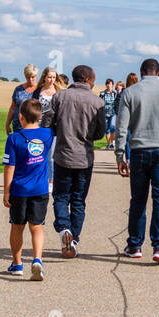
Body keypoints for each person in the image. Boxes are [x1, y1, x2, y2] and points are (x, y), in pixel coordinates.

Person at [115, 58, 159, 264]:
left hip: (139, 150)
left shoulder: (130, 93)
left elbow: (122, 127)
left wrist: (120, 155)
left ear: (142, 71)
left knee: (137, 199)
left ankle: (135, 245)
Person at [48, 64, 106, 259]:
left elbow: (48, 123)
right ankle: (74, 239)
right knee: (79, 200)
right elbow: (99, 132)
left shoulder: (59, 97)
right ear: (88, 79)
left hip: (63, 154)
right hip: (84, 157)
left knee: (61, 196)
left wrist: (62, 132)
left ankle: (64, 227)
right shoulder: (97, 102)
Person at [2, 97, 54, 280]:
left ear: (21, 117)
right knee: (37, 227)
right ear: (39, 117)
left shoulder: (14, 138)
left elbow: (10, 167)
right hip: (40, 189)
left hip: (19, 190)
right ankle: (37, 259)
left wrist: (6, 191)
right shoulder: (47, 134)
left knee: (17, 227)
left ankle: (17, 263)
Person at [6, 64, 39, 134]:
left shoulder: (40, 89)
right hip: (18, 127)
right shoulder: (18, 89)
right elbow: (12, 108)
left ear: (36, 76)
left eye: (33, 77)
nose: (30, 79)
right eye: (28, 77)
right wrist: (7, 124)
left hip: (35, 128)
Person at [101, 79, 118, 153]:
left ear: (112, 85)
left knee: (112, 126)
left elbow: (117, 101)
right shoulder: (102, 93)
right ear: (106, 85)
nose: (109, 85)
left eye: (110, 84)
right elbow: (100, 102)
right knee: (106, 128)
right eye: (107, 84)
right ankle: (109, 143)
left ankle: (112, 142)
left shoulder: (115, 93)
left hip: (113, 112)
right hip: (105, 113)